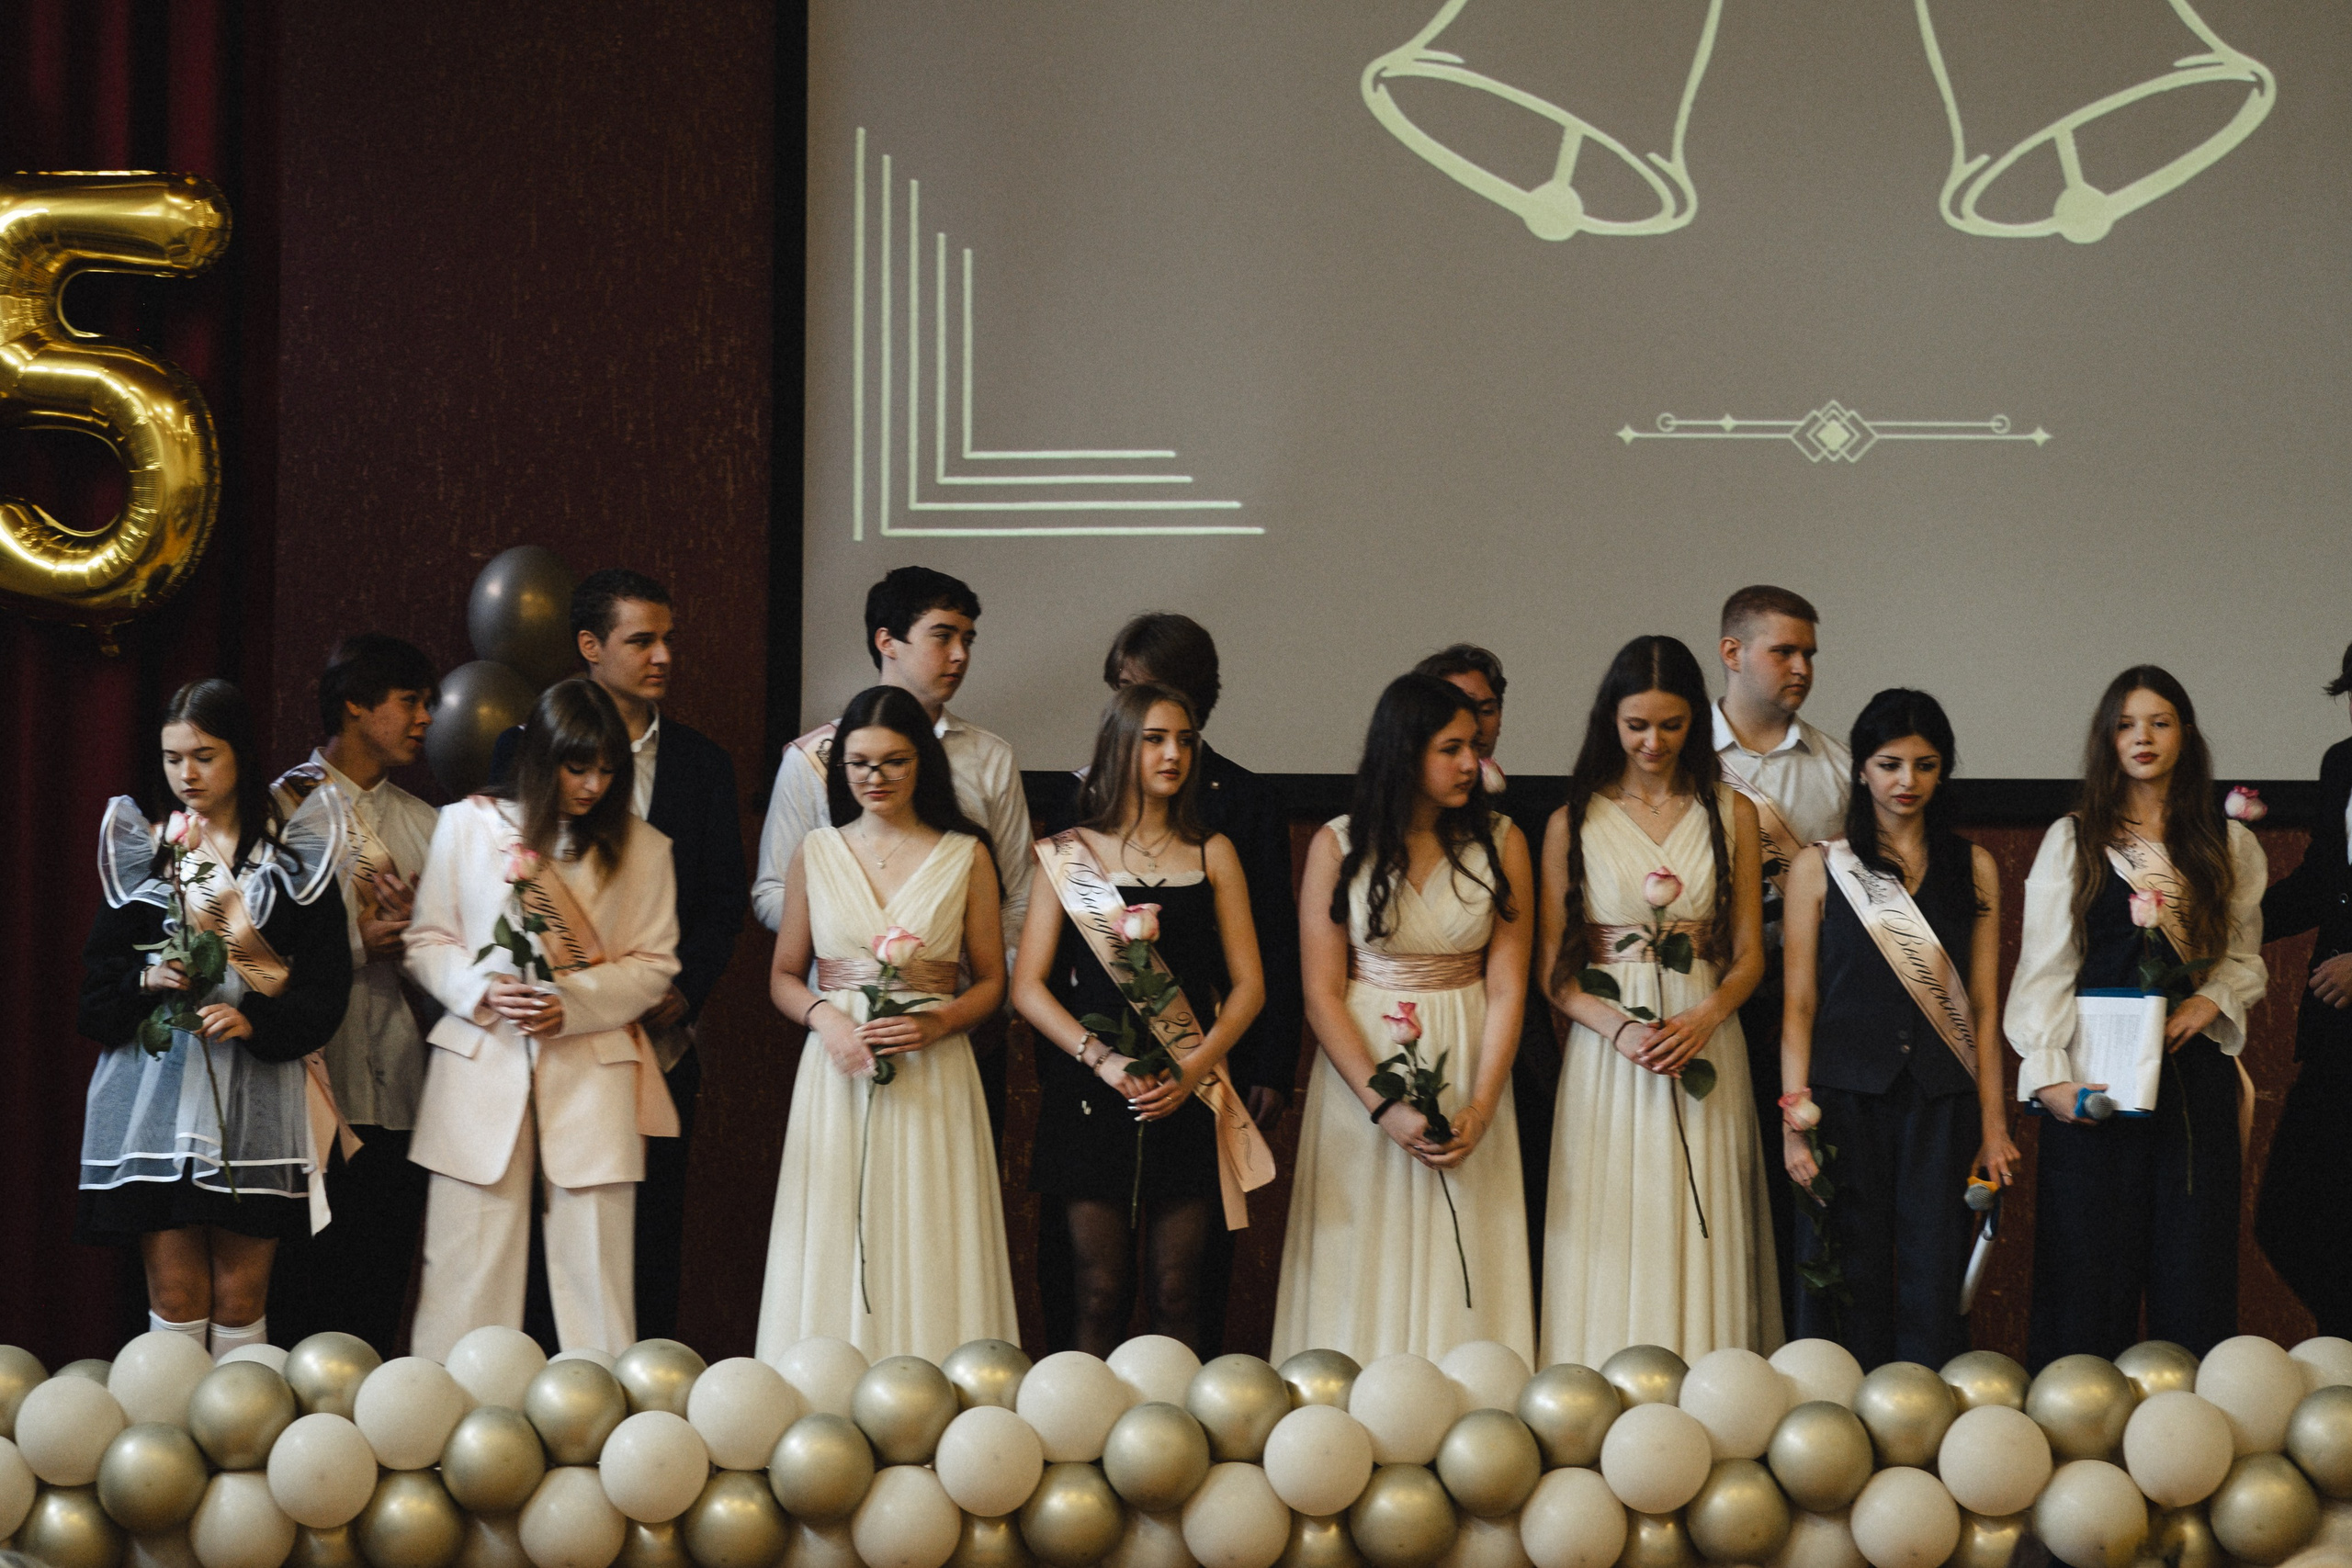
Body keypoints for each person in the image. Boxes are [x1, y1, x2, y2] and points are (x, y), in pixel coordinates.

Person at [491, 569, 748, 1342]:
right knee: (539, 1250)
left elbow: (722, 900)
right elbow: (499, 886)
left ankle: (641, 1403)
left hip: (653, 1043)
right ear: (589, 646)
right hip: (546, 1047)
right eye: (642, 640)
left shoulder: (702, 764)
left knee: (646, 1246)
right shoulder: (521, 749)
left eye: (668, 639)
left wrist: (681, 988)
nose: (663, 656)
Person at [1032, 613, 1299, 1352]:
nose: (1172, 752)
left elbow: (1259, 972)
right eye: (1153, 736)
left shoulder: (1221, 838)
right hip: (1095, 1084)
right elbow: (1033, 982)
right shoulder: (1071, 845)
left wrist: (1199, 1066)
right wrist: (1097, 1059)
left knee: (1183, 1289)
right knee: (1096, 1289)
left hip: (1192, 1082)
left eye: (1182, 737)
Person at [78, 679, 354, 1359]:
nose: (187, 775)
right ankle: (167, 1428)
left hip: (255, 1108)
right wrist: (146, 980)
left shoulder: (292, 863)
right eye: (173, 758)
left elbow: (326, 989)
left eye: (204, 756)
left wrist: (255, 1021)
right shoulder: (147, 856)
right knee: (176, 1297)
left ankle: (241, 1425)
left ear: (241, 754)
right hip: (158, 1109)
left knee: (239, 1299)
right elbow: (94, 997)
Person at [405, 679, 682, 1357]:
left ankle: (602, 1415)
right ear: (541, 758)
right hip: (481, 1062)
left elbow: (655, 963)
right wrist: (480, 990)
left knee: (598, 1282)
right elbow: (427, 939)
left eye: (607, 770)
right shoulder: (466, 826)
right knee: (463, 1276)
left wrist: (572, 1004)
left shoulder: (645, 847)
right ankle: (450, 1407)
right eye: (577, 767)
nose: (592, 786)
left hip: (593, 1072)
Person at [1272, 672, 1536, 1364]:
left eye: (1475, 746)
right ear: (1404, 752)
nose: (1471, 763)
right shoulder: (1338, 844)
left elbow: (1508, 986)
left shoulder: (1503, 840)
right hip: (1364, 1069)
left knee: (1469, 1244)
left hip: (1471, 1054)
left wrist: (1480, 1106)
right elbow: (1321, 993)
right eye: (1451, 749)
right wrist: (1384, 1106)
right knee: (1364, 1247)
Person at [2006, 666, 2267, 1366]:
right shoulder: (2075, 838)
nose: (2142, 737)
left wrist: (2213, 998)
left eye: (2159, 722)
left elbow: (2244, 957)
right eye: (2125, 724)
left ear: (2185, 733)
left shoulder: (2227, 841)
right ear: (2107, 738)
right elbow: (2044, 967)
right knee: (2086, 1276)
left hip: (2193, 1084)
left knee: (2194, 1267)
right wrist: (2049, 1075)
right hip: (2097, 1083)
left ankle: (2192, 1426)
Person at [757, 685, 1017, 1361]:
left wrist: (940, 1023)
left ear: (922, 761)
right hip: (838, 1069)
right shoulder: (815, 850)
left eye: (894, 761)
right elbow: (784, 975)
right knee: (837, 1221)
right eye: (859, 763)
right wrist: (826, 1019)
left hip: (936, 1069)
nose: (875, 777)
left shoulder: (967, 854)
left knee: (930, 1222)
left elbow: (993, 981)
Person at [1539, 635, 1775, 1367]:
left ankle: (1710, 1377)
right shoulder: (1571, 820)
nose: (1653, 741)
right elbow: (1556, 972)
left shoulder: (1732, 811)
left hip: (1705, 1037)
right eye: (1636, 724)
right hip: (1610, 1052)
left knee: (1699, 1209)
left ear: (1694, 721)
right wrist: (1619, 1031)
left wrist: (1705, 1016)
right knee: (1615, 1213)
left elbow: (1749, 955)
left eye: (1671, 725)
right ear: (1610, 720)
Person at [1778, 689, 2018, 1369]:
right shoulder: (1820, 867)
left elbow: (1984, 1006)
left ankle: (1927, 1416)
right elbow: (1799, 1004)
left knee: (1933, 1277)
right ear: (1861, 769)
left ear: (1943, 772)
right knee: (1843, 1273)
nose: (1906, 781)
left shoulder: (1974, 866)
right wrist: (1794, 1120)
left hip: (1942, 1098)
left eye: (1925, 765)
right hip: (1842, 1098)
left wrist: (1994, 1126)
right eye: (1889, 764)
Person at [754, 566, 1034, 1144]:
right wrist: (862, 939)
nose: (959, 655)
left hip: (957, 1016)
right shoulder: (812, 758)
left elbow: (1018, 896)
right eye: (942, 636)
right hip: (842, 1020)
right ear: (887, 641)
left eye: (968, 640)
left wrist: (976, 1001)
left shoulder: (991, 758)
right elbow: (772, 890)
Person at [267, 636, 442, 1357]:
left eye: (428, 703)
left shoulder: (428, 824)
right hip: (306, 1092)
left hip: (398, 1090)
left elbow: (456, 966)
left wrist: (423, 942)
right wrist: (358, 944)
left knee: (375, 1298)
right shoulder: (278, 810)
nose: (425, 718)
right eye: (410, 701)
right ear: (355, 705)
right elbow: (252, 954)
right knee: (299, 1297)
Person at [1713, 586, 1849, 1325]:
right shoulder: (1682, 758)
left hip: (1805, 1007)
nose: (1802, 667)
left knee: (1802, 1185)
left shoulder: (1839, 769)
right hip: (1710, 1003)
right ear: (1732, 653)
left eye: (1810, 655)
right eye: (1784, 651)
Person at [1414, 641, 1558, 1282]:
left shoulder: (1527, 821)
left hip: (1516, 1037)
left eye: (1488, 708)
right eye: (1458, 708)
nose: (1476, 723)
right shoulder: (1377, 826)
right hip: (1417, 1031)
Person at [2256, 642, 2352, 1335]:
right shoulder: (2340, 763)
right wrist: (2225, 924)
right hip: (2335, 1030)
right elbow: (2321, 882)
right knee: (2289, 1218)